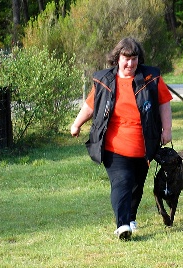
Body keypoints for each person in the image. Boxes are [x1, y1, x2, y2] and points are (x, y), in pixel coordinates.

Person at [70, 37, 173, 240]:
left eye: (134, 59)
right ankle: (123, 225)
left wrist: (167, 129)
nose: (130, 64)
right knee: (122, 181)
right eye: (126, 58)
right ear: (117, 58)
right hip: (114, 146)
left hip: (144, 146)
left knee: (137, 184)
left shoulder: (151, 78)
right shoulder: (105, 81)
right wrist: (76, 124)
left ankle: (130, 217)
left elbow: (164, 103)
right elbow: (91, 105)